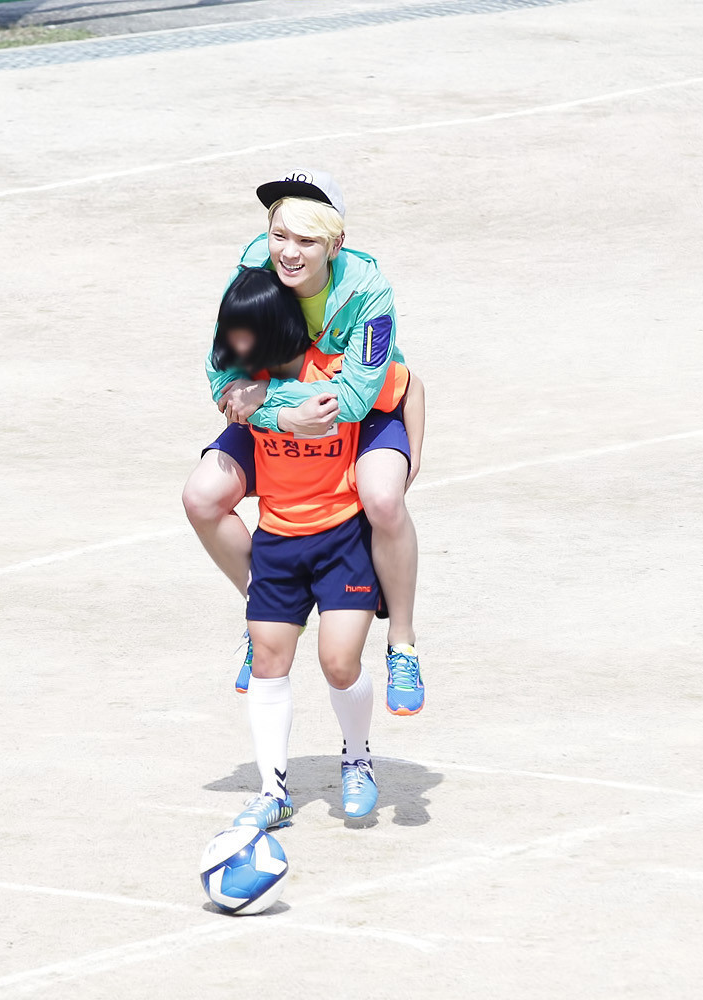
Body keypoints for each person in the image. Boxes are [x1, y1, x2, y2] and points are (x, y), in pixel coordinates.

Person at [182, 169, 427, 715]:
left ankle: (403, 643)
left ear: (335, 245)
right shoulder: (252, 269)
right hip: (284, 416)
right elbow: (223, 375)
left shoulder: (368, 290)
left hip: (361, 413)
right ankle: (268, 612)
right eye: (279, 234)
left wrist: (270, 400)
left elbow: (356, 398)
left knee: (383, 499)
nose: (288, 253)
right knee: (201, 498)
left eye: (307, 240)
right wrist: (285, 415)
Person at [210, 267, 411, 827]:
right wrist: (265, 398)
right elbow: (222, 384)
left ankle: (358, 758)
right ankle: (273, 792)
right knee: (269, 662)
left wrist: (411, 459)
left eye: (246, 337)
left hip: (342, 538)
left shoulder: (343, 373)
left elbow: (409, 388)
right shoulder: (244, 388)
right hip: (276, 541)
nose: (234, 349)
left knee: (339, 663)